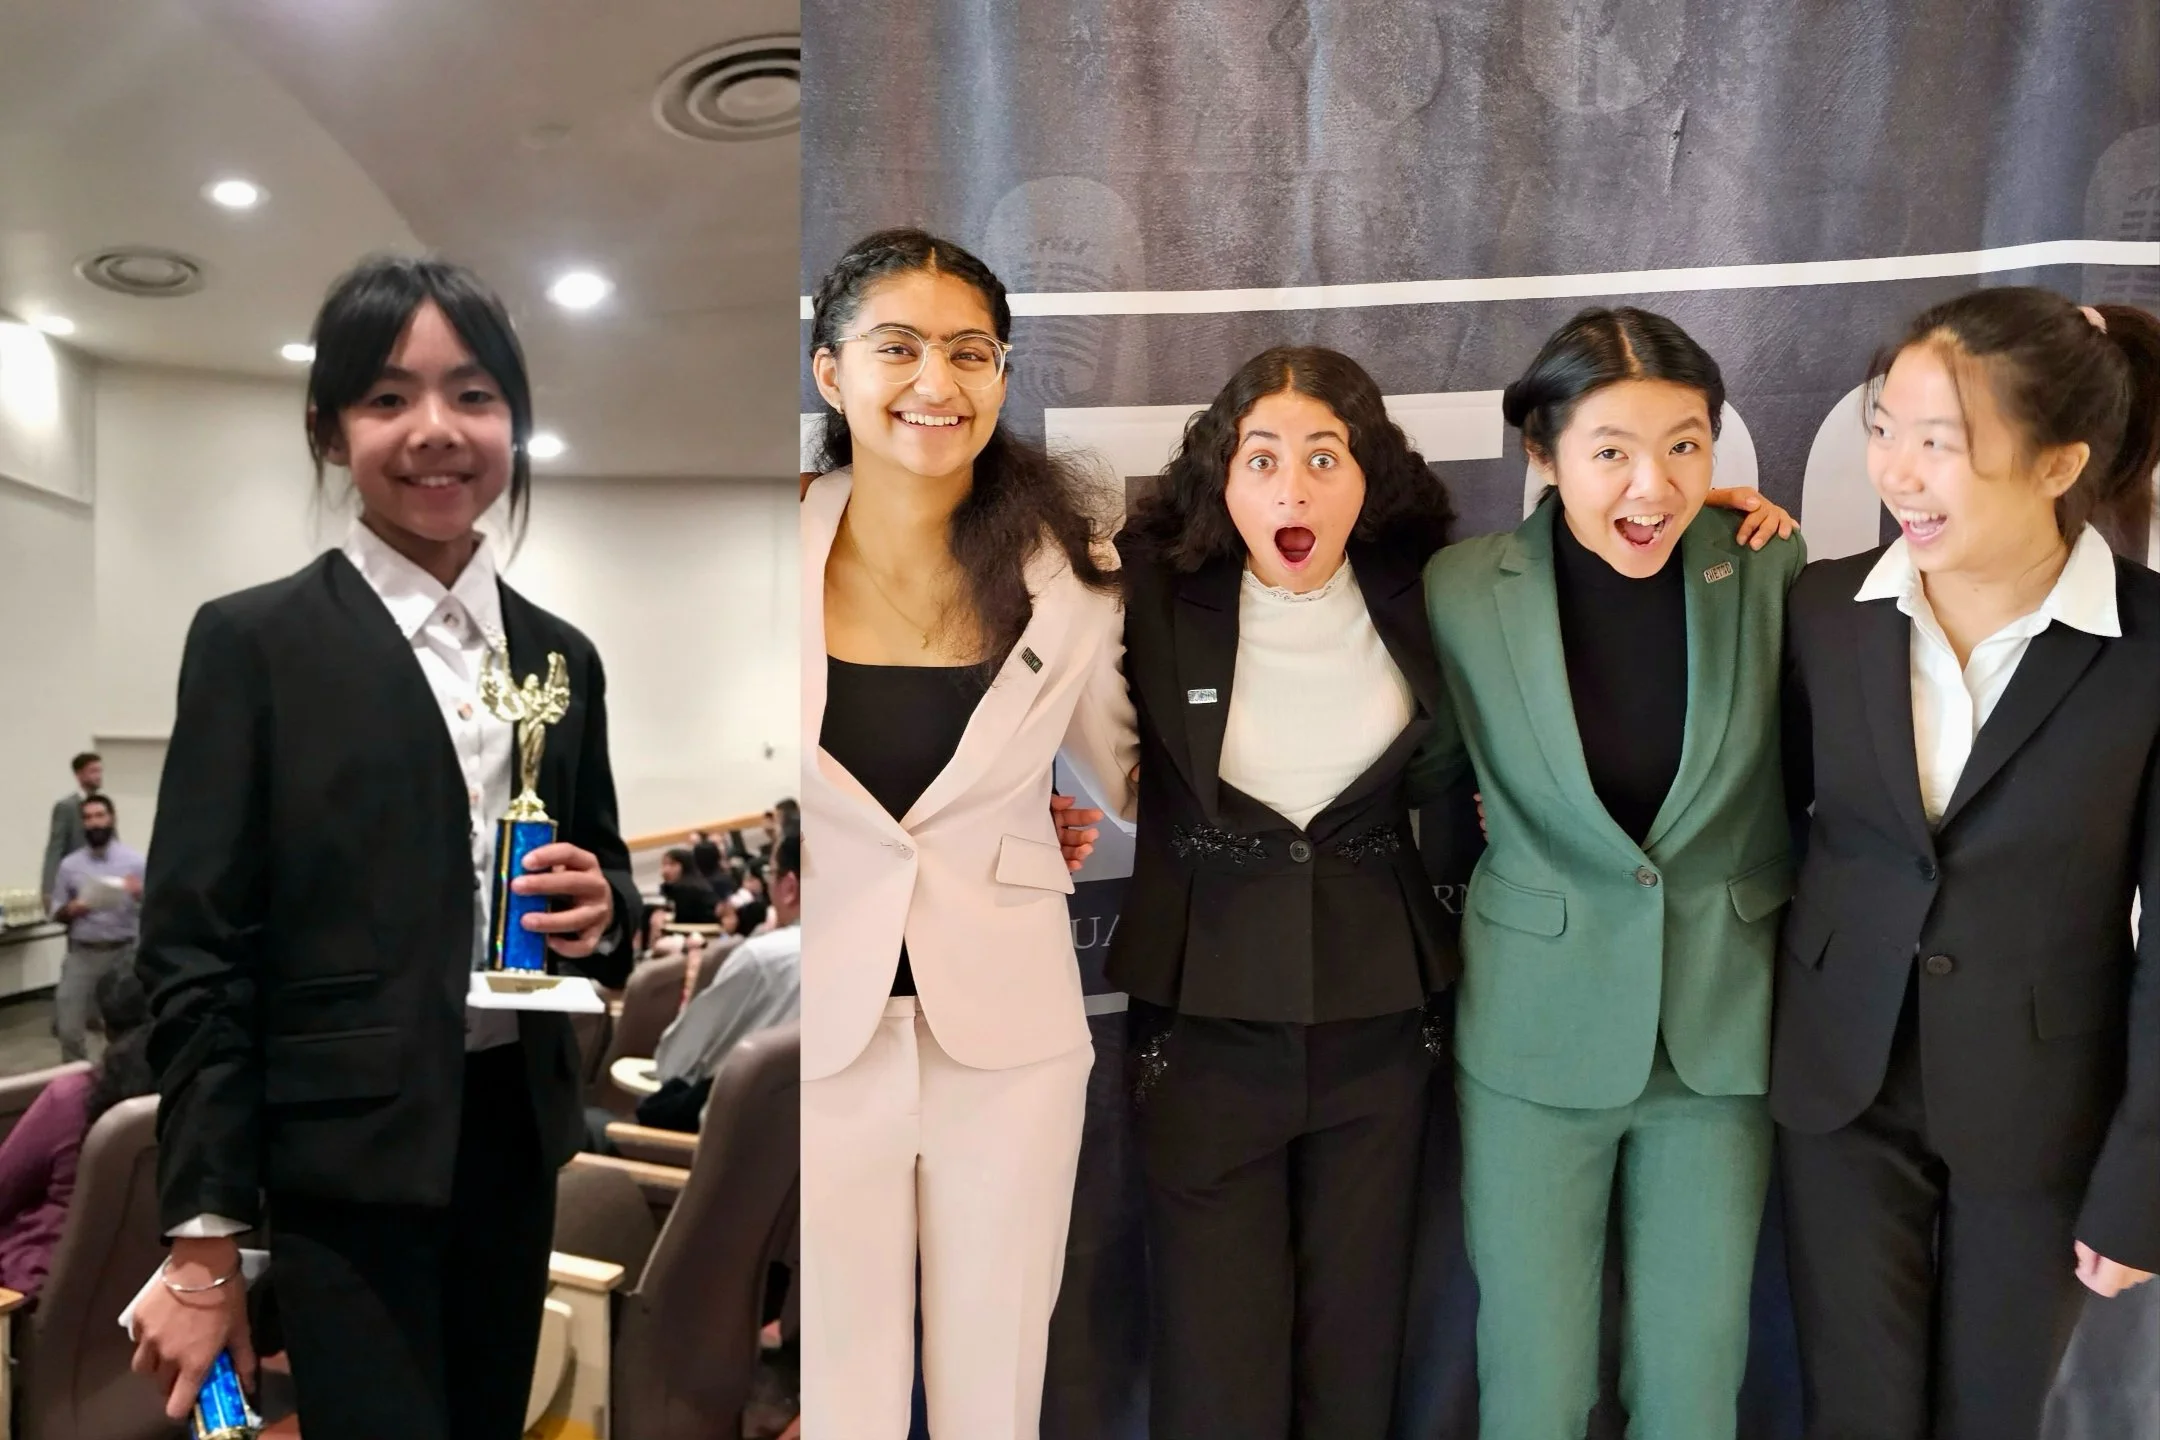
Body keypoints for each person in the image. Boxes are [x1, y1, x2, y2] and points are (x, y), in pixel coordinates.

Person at [128, 254, 638, 1439]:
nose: (435, 432)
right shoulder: (256, 643)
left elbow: (610, 875)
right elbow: (195, 955)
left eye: (473, 395)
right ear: (328, 430)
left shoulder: (560, 656)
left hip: (516, 1137)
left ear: (514, 419)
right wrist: (204, 1240)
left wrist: (602, 904)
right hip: (341, 1163)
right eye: (387, 398)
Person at [1773, 289, 2160, 1440]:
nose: (1897, 471)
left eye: (1939, 444)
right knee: (1857, 1410)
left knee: (1993, 1414)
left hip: (2043, 1111)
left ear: (2057, 466)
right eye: (1883, 428)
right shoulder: (1822, 610)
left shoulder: (2148, 654)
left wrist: (2145, 1180)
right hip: (1841, 1087)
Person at [1419, 307, 1804, 1440]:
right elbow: (1436, 784)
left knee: (1694, 1377)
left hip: (1718, 1033)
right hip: (1533, 1041)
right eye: (1612, 452)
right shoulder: (1458, 588)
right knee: (1532, 1376)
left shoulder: (1766, 564)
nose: (1654, 484)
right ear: (1541, 456)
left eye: (1687, 445)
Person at [801, 227, 1136, 1439]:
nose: (935, 383)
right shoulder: (771, 544)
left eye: (971, 352)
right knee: (841, 1390)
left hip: (1007, 1040)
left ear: (1002, 376)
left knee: (994, 1387)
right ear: (833, 373)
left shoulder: (1073, 577)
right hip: (819, 1041)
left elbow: (1136, 777)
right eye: (897, 347)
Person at [1107, 346, 1461, 1439]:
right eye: (1261, 459)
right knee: (1217, 1358)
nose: (1292, 489)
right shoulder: (1145, 586)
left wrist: (1710, 510)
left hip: (1379, 1020)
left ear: (1371, 476)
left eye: (1324, 457)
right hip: (1202, 1019)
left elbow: (1591, 558)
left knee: (1358, 1341)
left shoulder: (1430, 587)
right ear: (1221, 473)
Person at [0, 964, 157, 1296]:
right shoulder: (204, 1098)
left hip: (44, 1297)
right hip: (163, 1294)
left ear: (101, 1025)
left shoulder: (72, 1100)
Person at [639, 833, 802, 1133]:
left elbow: (673, 1063)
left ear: (789, 887)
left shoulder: (762, 958)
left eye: (770, 873)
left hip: (729, 1149)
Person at [46, 793, 145, 1063]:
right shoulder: (70, 866)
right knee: (67, 1025)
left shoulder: (135, 862)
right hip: (84, 953)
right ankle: (76, 1082)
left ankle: (127, 1077)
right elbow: (56, 912)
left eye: (99, 816)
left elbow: (159, 908)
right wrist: (72, 909)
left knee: (131, 1024)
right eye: (88, 818)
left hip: (125, 951)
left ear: (111, 819)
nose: (94, 823)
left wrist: (140, 894)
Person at [40, 752, 101, 902]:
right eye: (93, 771)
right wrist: (48, 888)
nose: (98, 776)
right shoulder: (66, 807)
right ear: (79, 775)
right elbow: (55, 848)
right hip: (75, 881)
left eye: (100, 771)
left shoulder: (103, 805)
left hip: (100, 880)